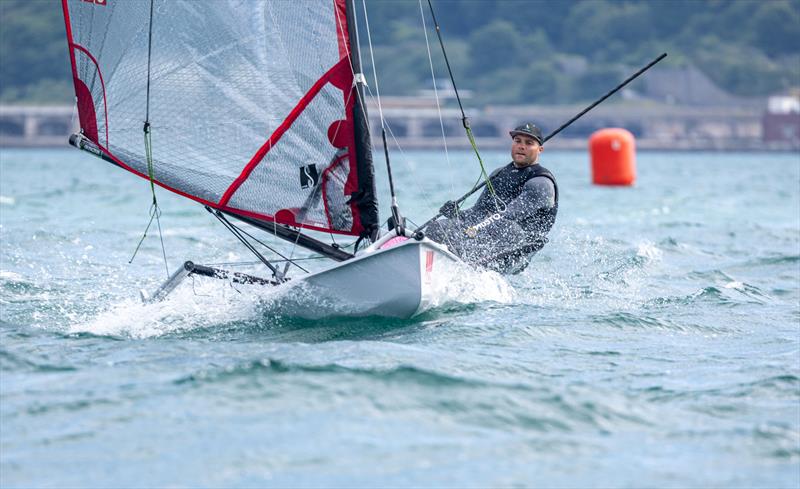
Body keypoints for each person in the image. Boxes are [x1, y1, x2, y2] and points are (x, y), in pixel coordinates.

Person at [425, 122, 558, 274]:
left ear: (540, 149)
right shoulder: (499, 174)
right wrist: (457, 214)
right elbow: (478, 213)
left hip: (519, 245)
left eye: (529, 143)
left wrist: (477, 228)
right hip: (488, 235)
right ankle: (433, 269)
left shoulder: (541, 183)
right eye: (518, 141)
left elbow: (510, 214)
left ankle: (466, 267)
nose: (522, 146)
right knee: (439, 227)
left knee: (506, 227)